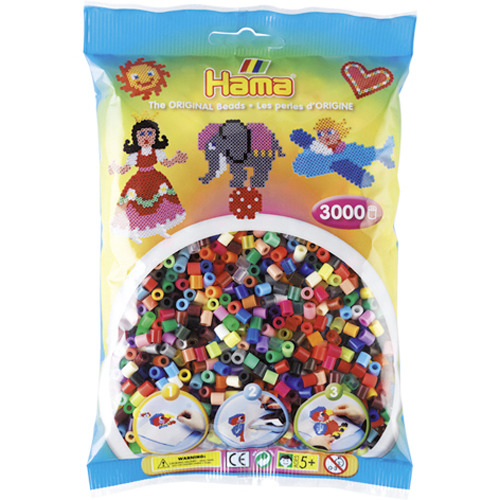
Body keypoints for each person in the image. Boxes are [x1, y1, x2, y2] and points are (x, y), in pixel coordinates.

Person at [109, 116, 188, 243]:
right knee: (136, 208)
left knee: (159, 205)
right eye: (142, 134)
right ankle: (133, 231)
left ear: (155, 136)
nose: (146, 137)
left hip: (155, 181)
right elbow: (125, 169)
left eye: (150, 133)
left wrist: (176, 158)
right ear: (136, 138)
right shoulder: (134, 155)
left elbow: (166, 163)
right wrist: (115, 168)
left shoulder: (157, 152)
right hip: (139, 183)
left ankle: (159, 227)